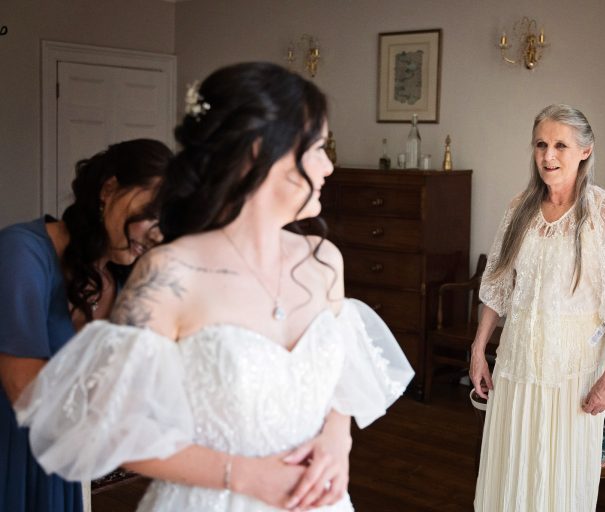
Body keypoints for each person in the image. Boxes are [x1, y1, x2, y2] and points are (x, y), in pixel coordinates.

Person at [16, 62, 414, 512]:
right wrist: (245, 476)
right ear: (262, 151)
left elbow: (340, 387)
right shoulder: (170, 275)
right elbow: (107, 426)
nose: (328, 166)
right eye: (319, 148)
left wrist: (336, 442)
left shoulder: (323, 260)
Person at [470, 104, 605, 511]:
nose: (548, 156)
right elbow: (497, 286)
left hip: (573, 375)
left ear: (585, 151)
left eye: (560, 146)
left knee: (558, 481)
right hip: (516, 365)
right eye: (541, 145)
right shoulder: (519, 208)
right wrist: (479, 349)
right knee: (509, 472)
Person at [0, 138, 171, 512]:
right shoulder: (22, 252)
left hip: (61, 463)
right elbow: (22, 385)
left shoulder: (123, 285)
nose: (157, 233)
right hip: (8, 452)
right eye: (151, 212)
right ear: (109, 190)